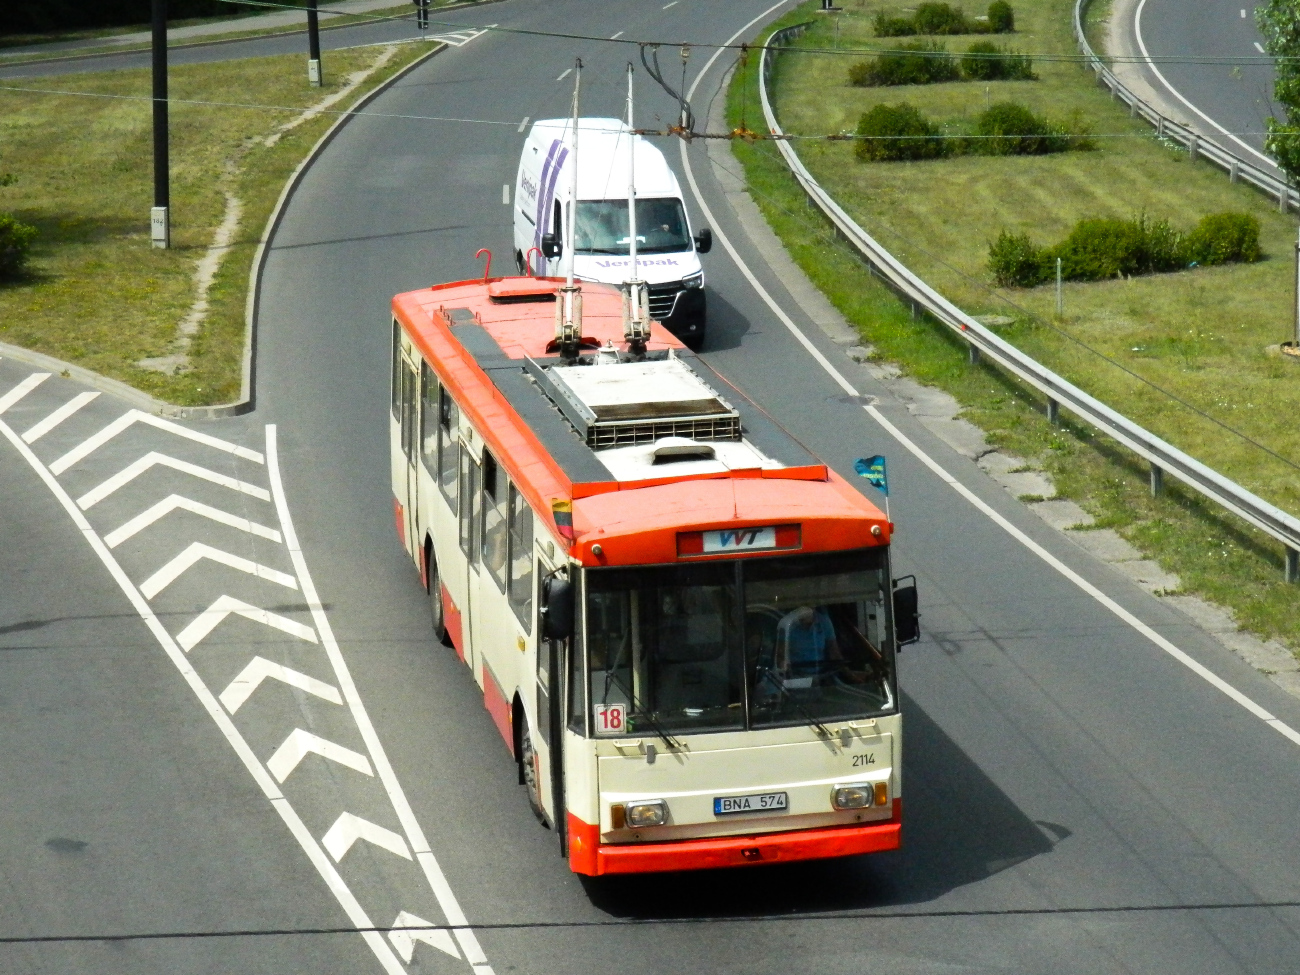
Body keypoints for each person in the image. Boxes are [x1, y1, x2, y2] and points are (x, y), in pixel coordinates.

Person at [775, 605, 842, 680]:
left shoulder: (824, 621)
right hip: (795, 676)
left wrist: (850, 675)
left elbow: (834, 654)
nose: (809, 606)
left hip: (822, 676)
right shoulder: (787, 623)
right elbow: (781, 656)